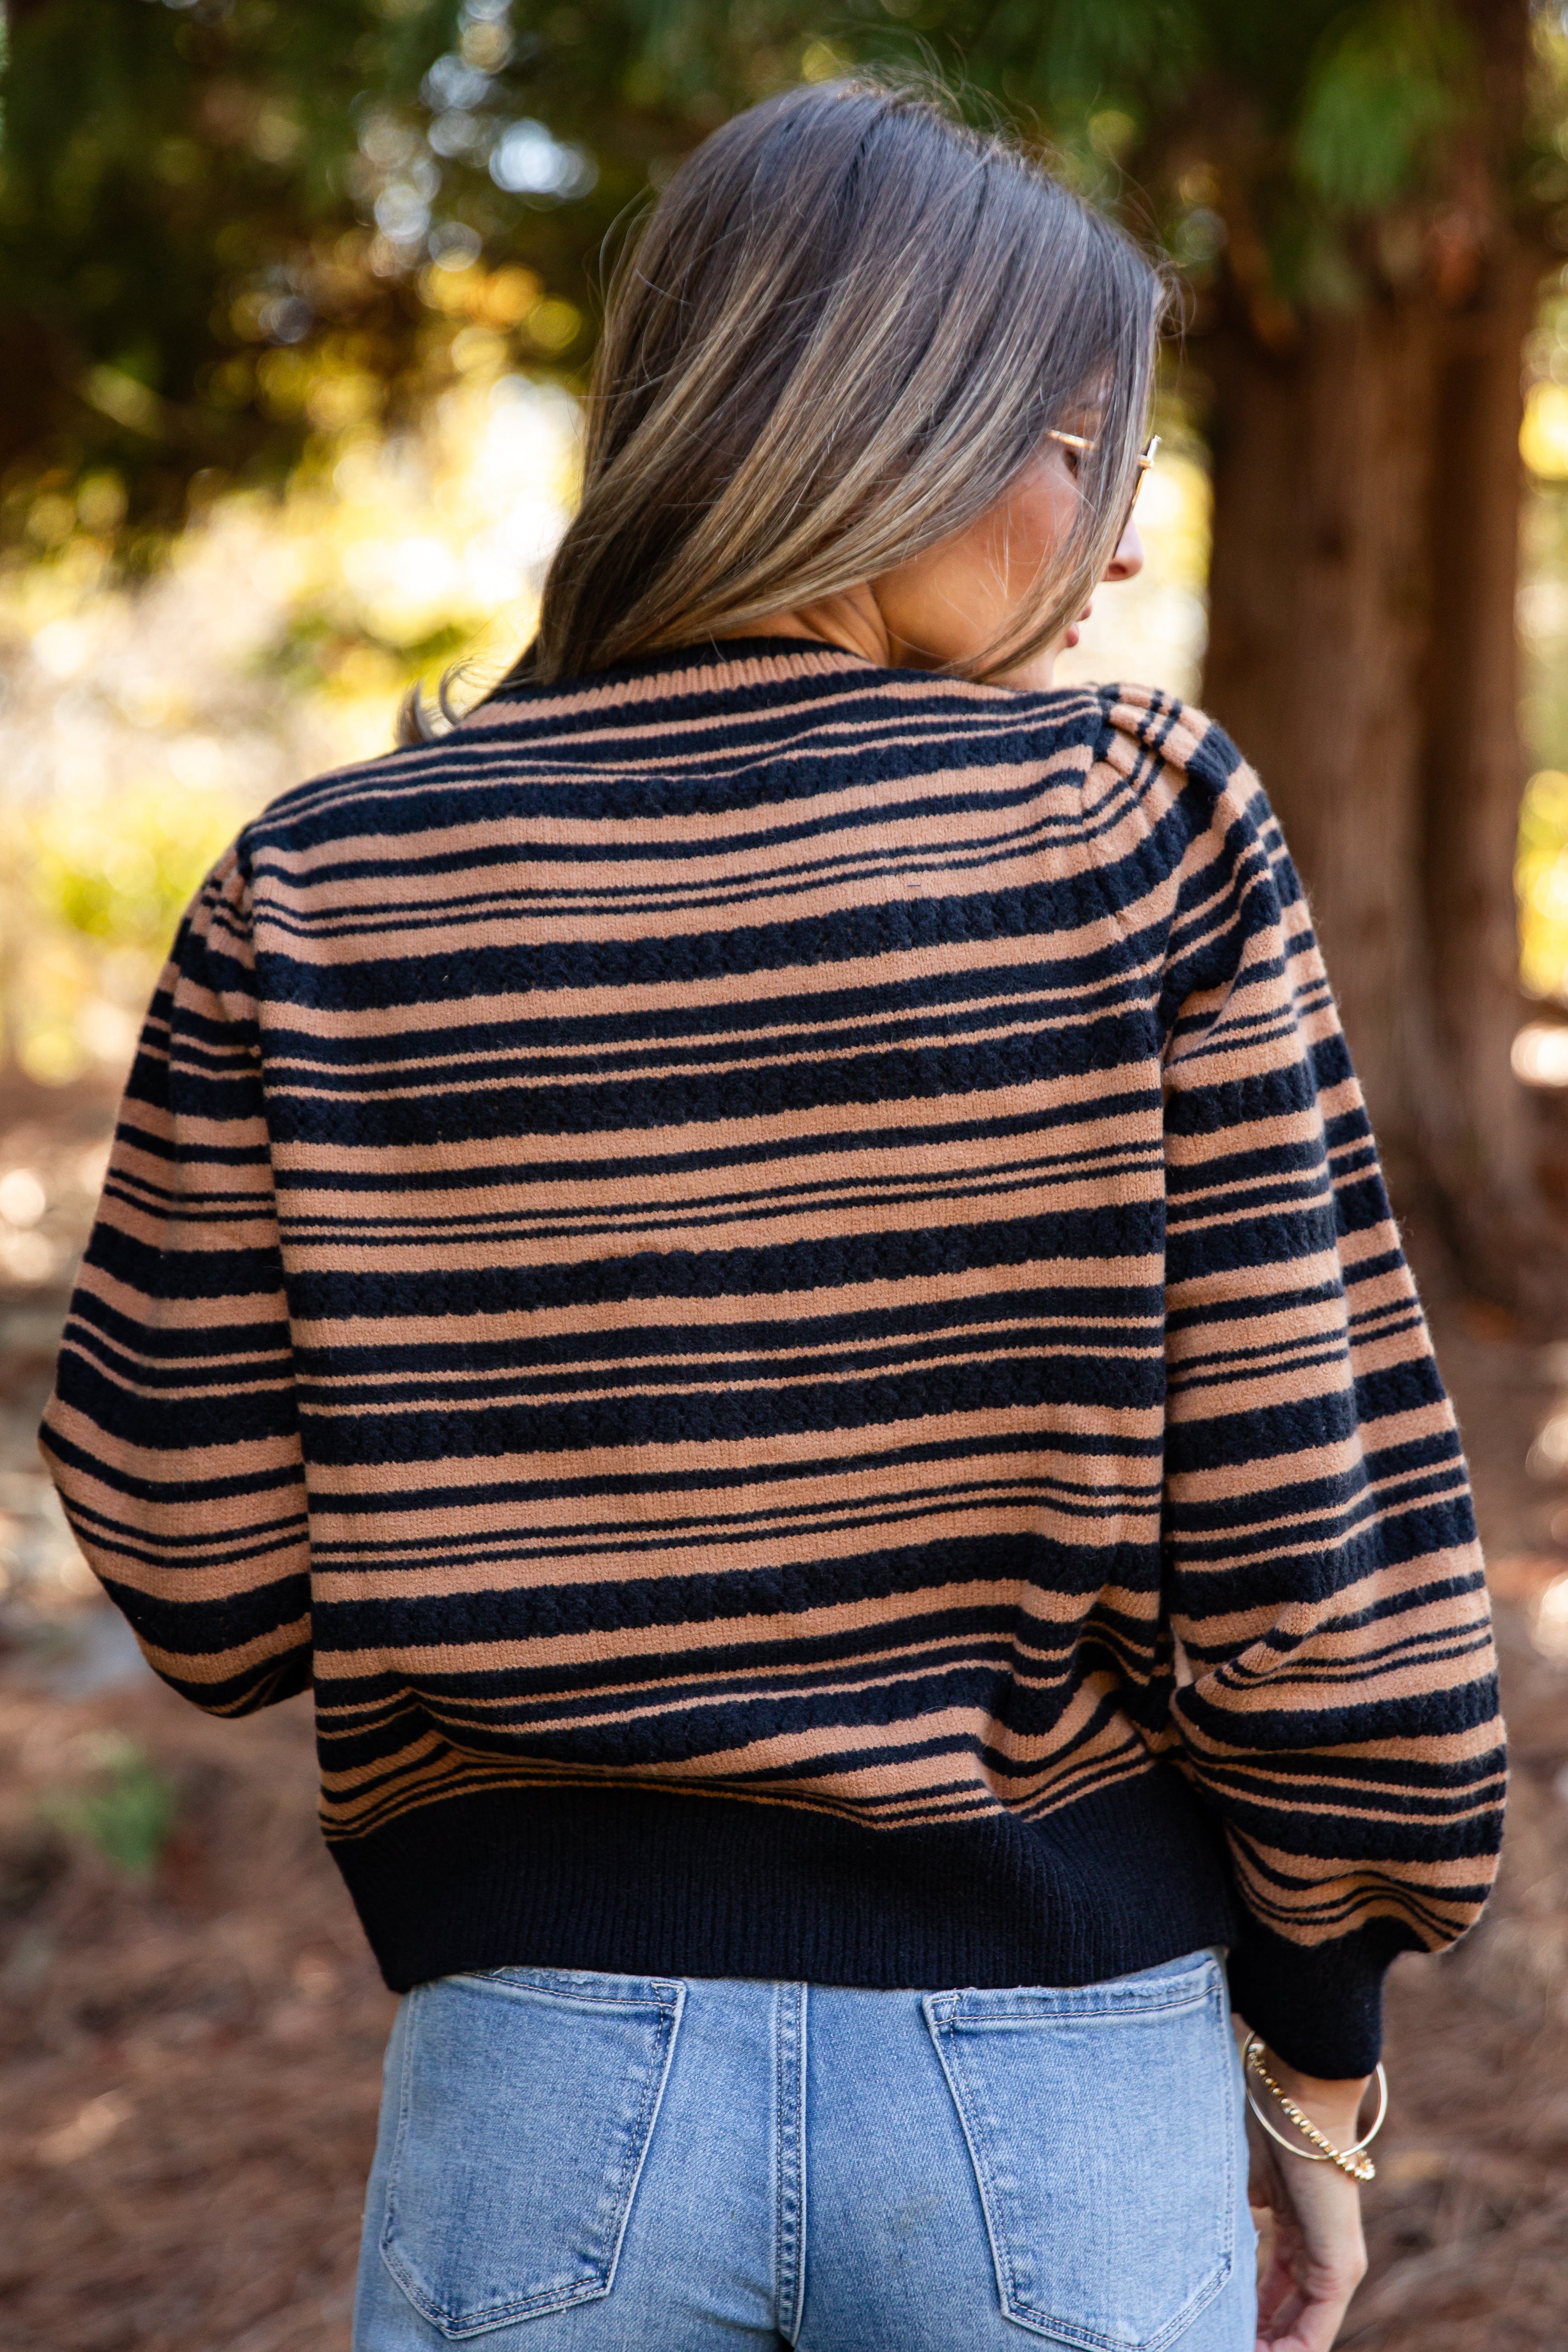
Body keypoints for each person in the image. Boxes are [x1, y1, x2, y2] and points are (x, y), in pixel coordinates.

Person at [42, 75, 1504, 2352]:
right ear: (879, 428)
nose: (1110, 545)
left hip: (530, 2090)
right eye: (1072, 451)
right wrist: (1318, 2055)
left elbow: (201, 1574)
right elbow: (1319, 1558)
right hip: (1062, 2087)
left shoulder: (322, 883)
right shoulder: (1137, 834)